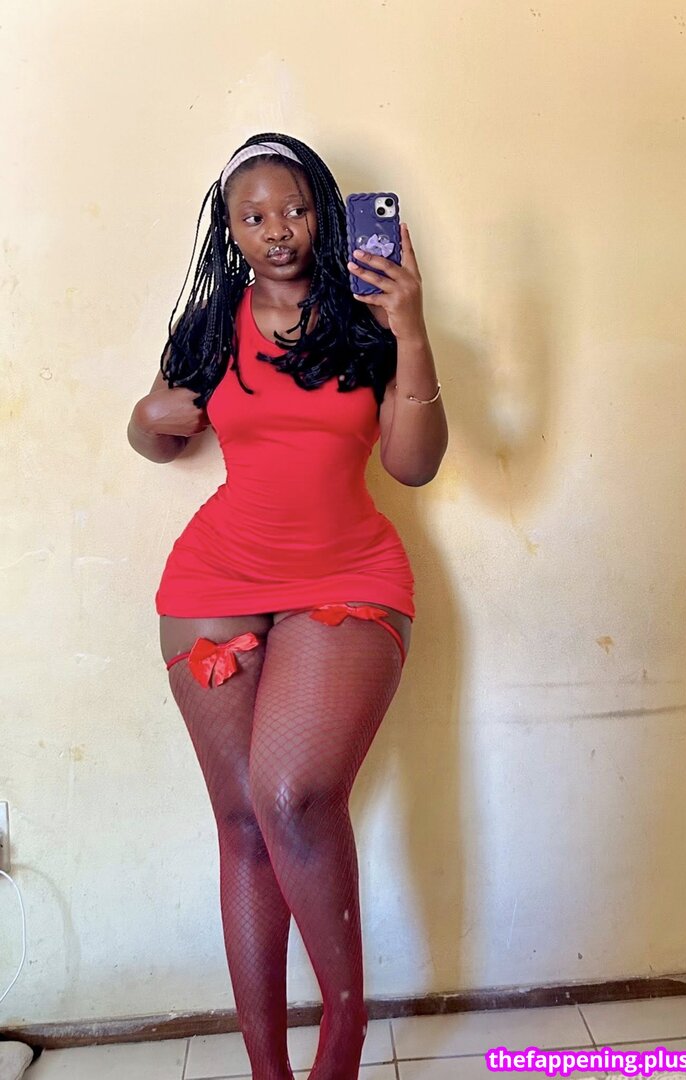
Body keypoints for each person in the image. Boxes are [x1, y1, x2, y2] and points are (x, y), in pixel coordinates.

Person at [127, 133, 448, 1080]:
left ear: (325, 213)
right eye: (255, 216)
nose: (278, 231)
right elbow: (158, 437)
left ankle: (342, 1036)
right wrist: (145, 419)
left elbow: (413, 466)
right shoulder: (209, 325)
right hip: (216, 581)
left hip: (349, 575)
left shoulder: (365, 319)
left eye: (296, 210)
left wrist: (413, 328)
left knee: (293, 797)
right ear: (228, 231)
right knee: (241, 824)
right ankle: (267, 1068)